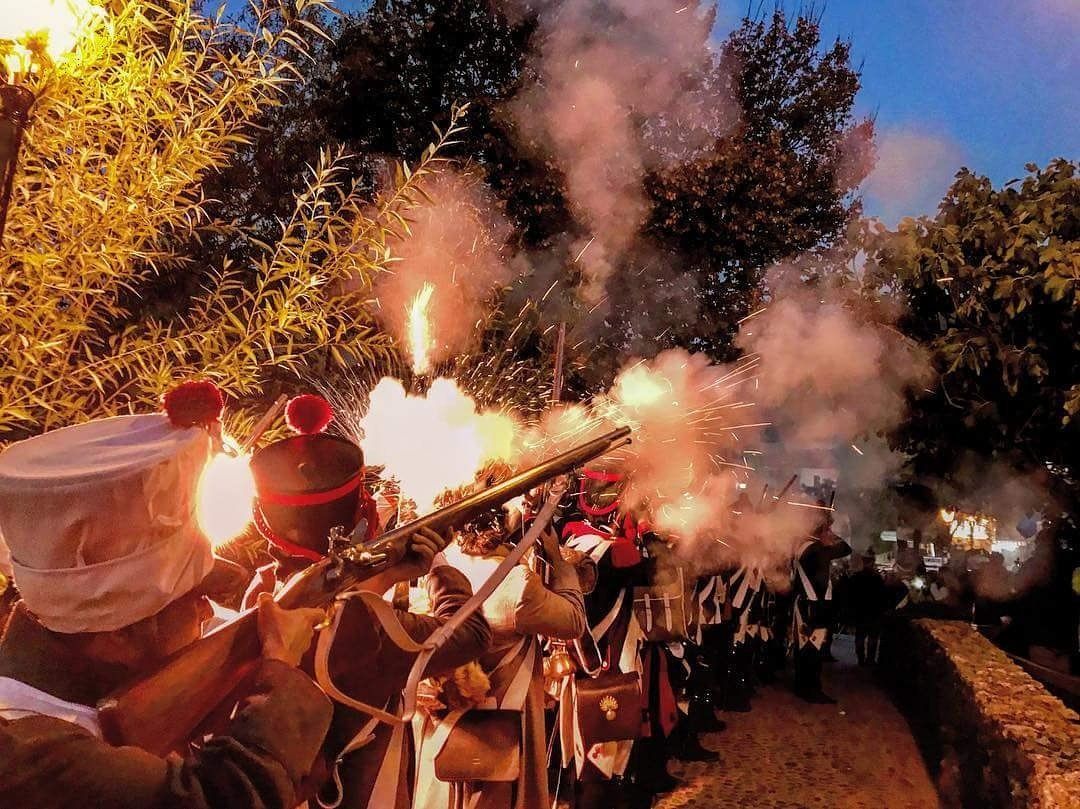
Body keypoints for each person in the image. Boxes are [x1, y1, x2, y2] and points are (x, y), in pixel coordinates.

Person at [0, 387, 334, 808]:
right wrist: (281, 670)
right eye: (193, 598)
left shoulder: (55, 707)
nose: (208, 610)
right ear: (118, 634)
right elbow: (223, 797)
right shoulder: (34, 758)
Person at [246, 396, 493, 809]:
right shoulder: (362, 625)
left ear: (265, 522)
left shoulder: (257, 594)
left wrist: (389, 575)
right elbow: (471, 633)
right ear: (362, 509)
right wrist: (437, 562)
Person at [414, 464, 586, 809]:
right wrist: (558, 559)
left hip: (443, 728)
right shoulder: (516, 585)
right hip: (502, 730)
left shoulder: (437, 572)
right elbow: (574, 620)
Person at [791, 507, 851, 703]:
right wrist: (829, 534)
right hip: (812, 605)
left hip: (809, 603)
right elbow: (845, 548)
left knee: (807, 648)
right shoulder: (814, 549)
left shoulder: (806, 545)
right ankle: (810, 688)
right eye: (825, 530)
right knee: (812, 648)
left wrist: (825, 530)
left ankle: (804, 686)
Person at [847, 548, 887, 666]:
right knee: (872, 637)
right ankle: (869, 659)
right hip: (873, 612)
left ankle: (861, 659)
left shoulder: (856, 577)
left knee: (860, 636)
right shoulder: (877, 578)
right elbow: (882, 595)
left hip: (861, 611)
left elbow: (851, 595)